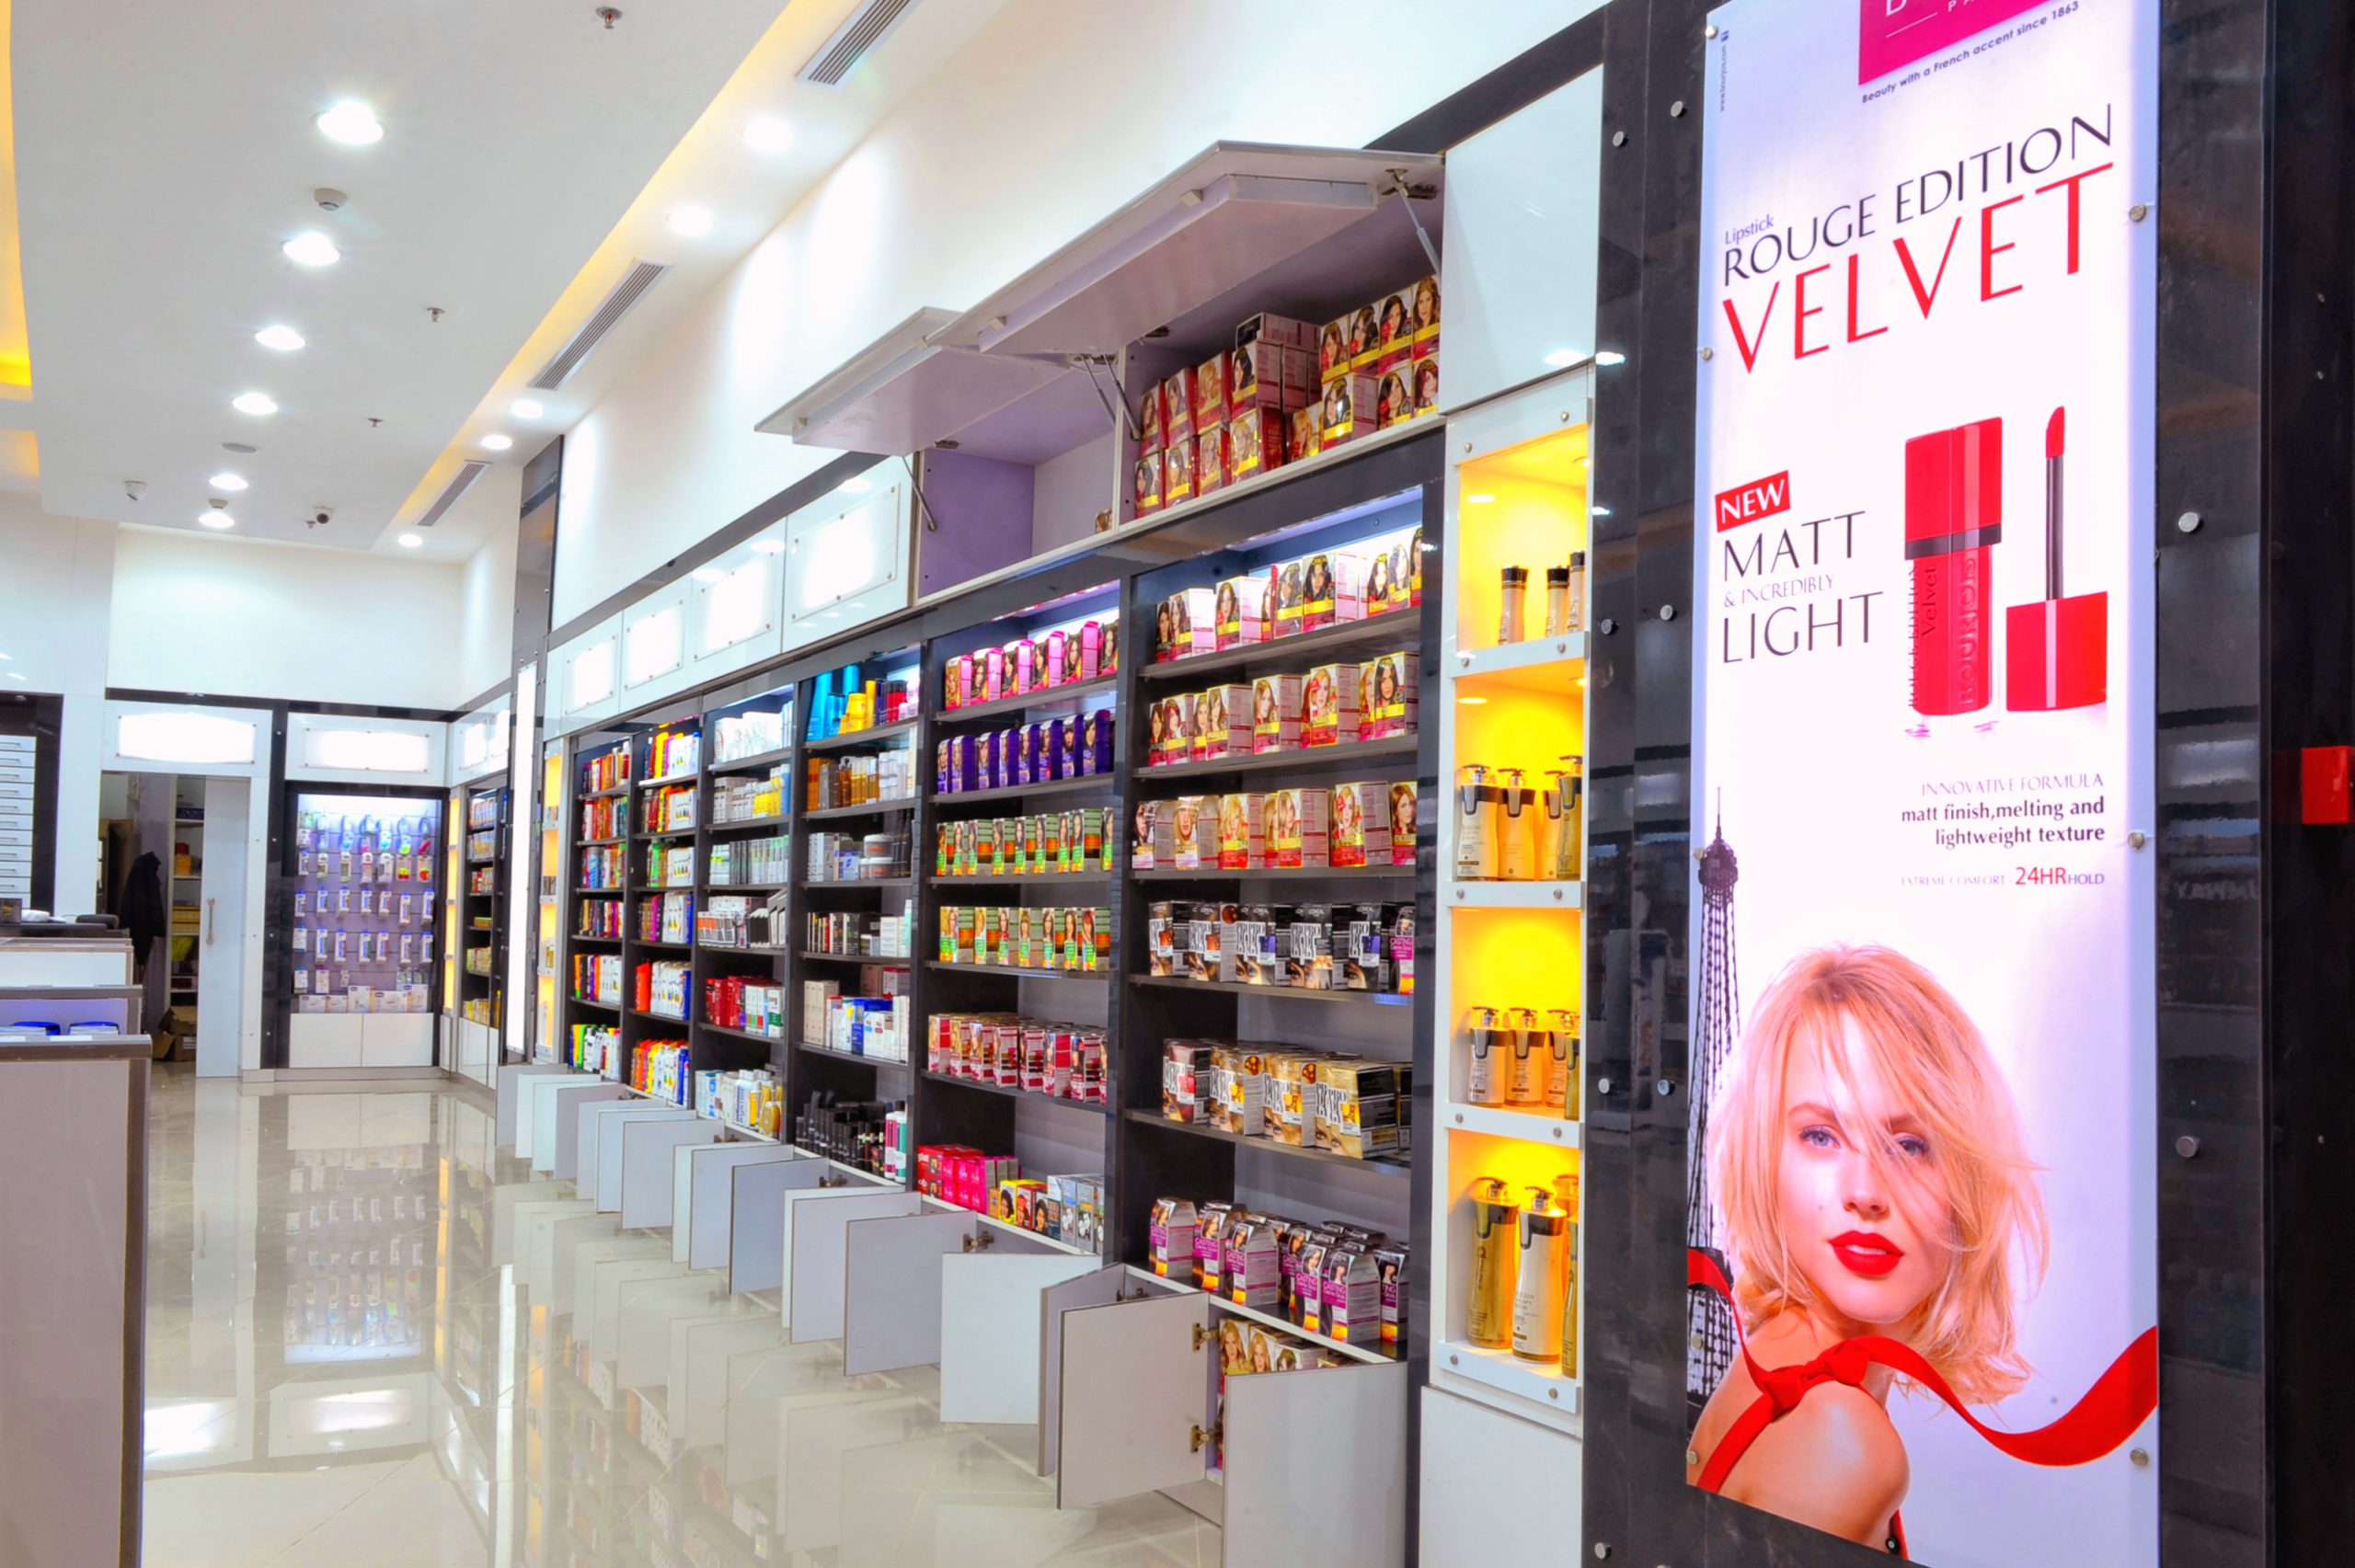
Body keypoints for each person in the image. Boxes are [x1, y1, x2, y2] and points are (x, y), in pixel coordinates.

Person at [1688, 944, 2050, 1554]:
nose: (1865, 1192)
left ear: (1968, 1177)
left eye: (1909, 1145)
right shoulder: (1844, 1440)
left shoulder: (1777, 1350)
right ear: (1763, 1158)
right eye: (1821, 1135)